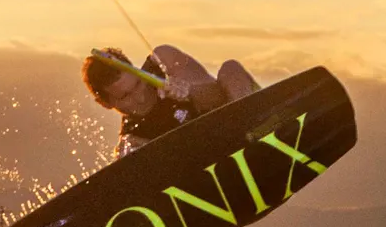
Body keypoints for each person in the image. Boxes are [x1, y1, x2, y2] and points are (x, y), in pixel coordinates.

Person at [82, 44, 260, 156]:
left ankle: (255, 131)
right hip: (213, 155)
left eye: (138, 83)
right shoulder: (133, 138)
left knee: (231, 70)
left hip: (244, 126)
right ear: (105, 104)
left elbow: (220, 97)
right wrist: (154, 150)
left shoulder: (164, 61)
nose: (140, 96)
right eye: (125, 96)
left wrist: (191, 92)